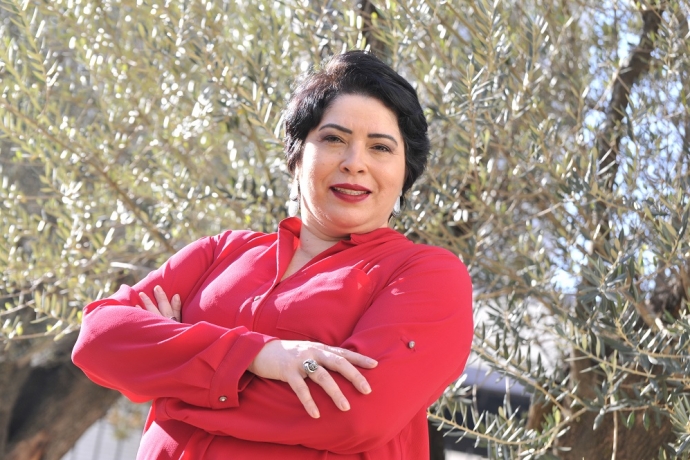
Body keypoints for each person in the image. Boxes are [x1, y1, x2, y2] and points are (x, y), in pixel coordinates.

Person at [72, 50, 473, 459]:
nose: (355, 163)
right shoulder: (221, 252)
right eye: (334, 139)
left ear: (406, 171)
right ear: (296, 156)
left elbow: (354, 414)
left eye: (380, 147)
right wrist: (260, 356)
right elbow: (98, 339)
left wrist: (173, 380)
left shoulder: (426, 276)